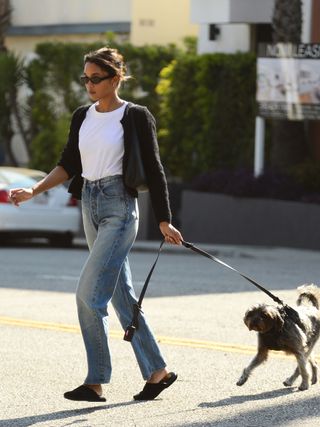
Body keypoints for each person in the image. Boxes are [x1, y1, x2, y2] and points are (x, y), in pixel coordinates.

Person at [9, 47, 183, 402]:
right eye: (85, 78)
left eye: (96, 78)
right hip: (89, 202)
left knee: (89, 295)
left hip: (120, 206)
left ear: (116, 78)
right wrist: (34, 189)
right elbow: (68, 163)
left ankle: (95, 380)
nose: (89, 84)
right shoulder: (82, 116)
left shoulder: (135, 116)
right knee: (121, 295)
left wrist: (164, 219)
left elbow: (154, 169)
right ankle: (157, 371)